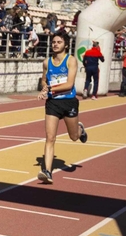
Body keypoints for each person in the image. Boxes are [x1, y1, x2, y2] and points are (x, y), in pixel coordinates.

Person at [37, 30, 88, 183]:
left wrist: (50, 88)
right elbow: (43, 80)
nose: (55, 44)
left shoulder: (70, 60)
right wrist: (44, 87)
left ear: (65, 44)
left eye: (59, 42)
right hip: (52, 103)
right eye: (53, 42)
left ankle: (80, 129)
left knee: (73, 137)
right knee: (50, 138)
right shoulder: (47, 62)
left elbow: (69, 84)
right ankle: (47, 171)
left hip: (68, 102)